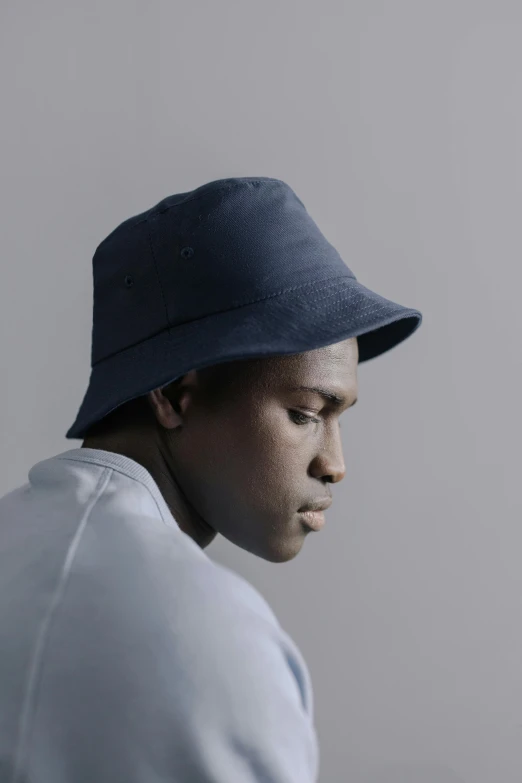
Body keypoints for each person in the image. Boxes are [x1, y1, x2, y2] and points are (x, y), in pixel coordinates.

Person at [0, 177, 422, 782]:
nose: (335, 462)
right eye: (305, 414)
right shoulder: (210, 637)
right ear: (174, 395)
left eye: (338, 419)